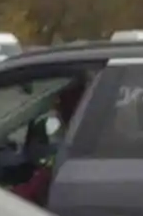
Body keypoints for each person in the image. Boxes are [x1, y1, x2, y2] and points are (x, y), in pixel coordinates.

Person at [9, 77, 87, 205]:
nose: (55, 108)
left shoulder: (73, 152)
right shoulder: (95, 143)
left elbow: (34, 191)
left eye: (59, 104)